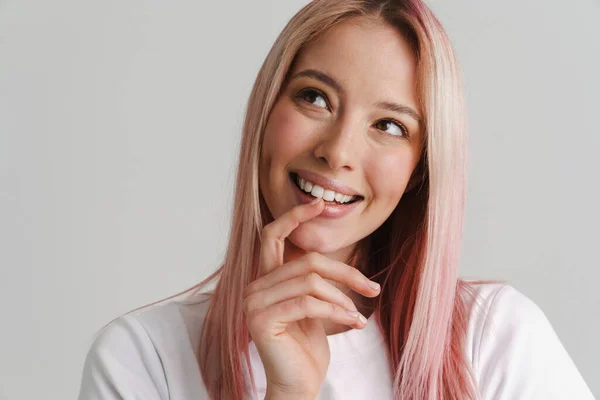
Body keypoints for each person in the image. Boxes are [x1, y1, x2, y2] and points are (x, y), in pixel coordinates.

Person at [77, 0, 595, 399]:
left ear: (420, 170)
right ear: (265, 111)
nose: (338, 152)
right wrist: (289, 393)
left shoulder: (495, 336)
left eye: (390, 125)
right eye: (315, 97)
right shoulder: (145, 357)